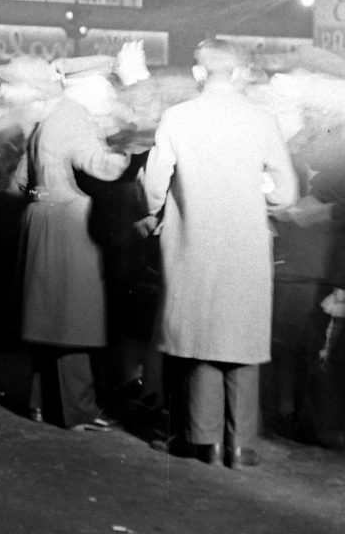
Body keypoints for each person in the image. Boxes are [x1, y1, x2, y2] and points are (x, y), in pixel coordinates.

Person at [142, 39, 298, 468]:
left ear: (198, 73)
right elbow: (285, 192)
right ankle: (240, 444)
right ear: (238, 72)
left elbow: (154, 185)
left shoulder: (177, 117)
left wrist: (154, 212)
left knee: (200, 338)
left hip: (192, 243)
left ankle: (203, 439)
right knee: (241, 339)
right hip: (245, 247)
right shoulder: (261, 119)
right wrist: (258, 189)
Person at [16, 60, 130, 431]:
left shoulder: (46, 119)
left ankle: (38, 402)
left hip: (42, 217)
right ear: (89, 86)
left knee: (47, 316)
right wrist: (131, 146)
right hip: (68, 223)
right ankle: (77, 411)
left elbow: (20, 181)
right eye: (107, 86)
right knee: (72, 321)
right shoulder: (76, 117)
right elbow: (103, 167)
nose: (111, 94)